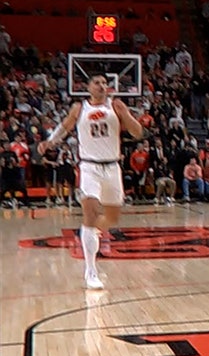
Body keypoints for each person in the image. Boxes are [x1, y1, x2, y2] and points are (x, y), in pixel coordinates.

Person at [38, 73, 144, 289]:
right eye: (97, 83)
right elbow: (65, 127)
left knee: (111, 218)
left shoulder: (116, 106)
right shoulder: (80, 108)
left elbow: (138, 133)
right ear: (88, 87)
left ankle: (91, 233)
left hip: (112, 166)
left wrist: (126, 115)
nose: (102, 86)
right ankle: (91, 271)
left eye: (105, 83)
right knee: (91, 214)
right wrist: (49, 142)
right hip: (89, 166)